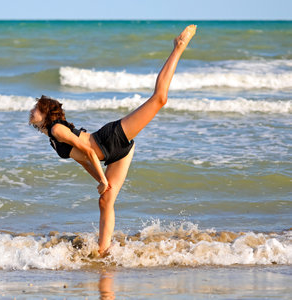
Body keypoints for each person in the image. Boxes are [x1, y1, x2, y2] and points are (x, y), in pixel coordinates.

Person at [29, 25, 197, 256]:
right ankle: (103, 251)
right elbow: (83, 160)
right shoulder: (53, 138)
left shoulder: (57, 129)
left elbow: (88, 151)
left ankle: (178, 46)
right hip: (114, 154)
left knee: (159, 99)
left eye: (36, 108)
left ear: (47, 113)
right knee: (105, 201)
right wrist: (100, 181)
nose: (32, 111)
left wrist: (102, 180)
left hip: (111, 138)